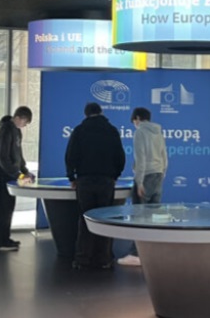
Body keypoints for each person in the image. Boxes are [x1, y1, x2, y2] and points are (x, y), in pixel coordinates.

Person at [64, 102, 126, 270]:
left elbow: (70, 156)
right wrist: (115, 175)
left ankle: (82, 259)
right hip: (106, 181)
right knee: (105, 219)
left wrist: (72, 177)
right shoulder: (112, 131)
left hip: (85, 180)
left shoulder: (79, 131)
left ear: (86, 114)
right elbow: (120, 157)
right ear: (101, 112)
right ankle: (104, 258)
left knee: (85, 219)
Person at [118, 106, 168, 267]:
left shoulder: (140, 132)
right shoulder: (158, 132)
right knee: (153, 217)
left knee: (139, 217)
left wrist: (139, 182)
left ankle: (136, 254)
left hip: (146, 176)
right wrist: (161, 174)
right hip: (158, 175)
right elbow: (164, 156)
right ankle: (152, 252)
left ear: (137, 118)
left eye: (134, 121)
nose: (134, 124)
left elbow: (141, 158)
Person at [0, 105, 33, 252]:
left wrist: (24, 171)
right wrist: (18, 175)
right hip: (1, 175)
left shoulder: (16, 132)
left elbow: (18, 154)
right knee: (1, 208)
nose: (24, 125)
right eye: (25, 122)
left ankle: (5, 238)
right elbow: (3, 158)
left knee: (8, 207)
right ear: (18, 118)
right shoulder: (5, 131)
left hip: (11, 175)